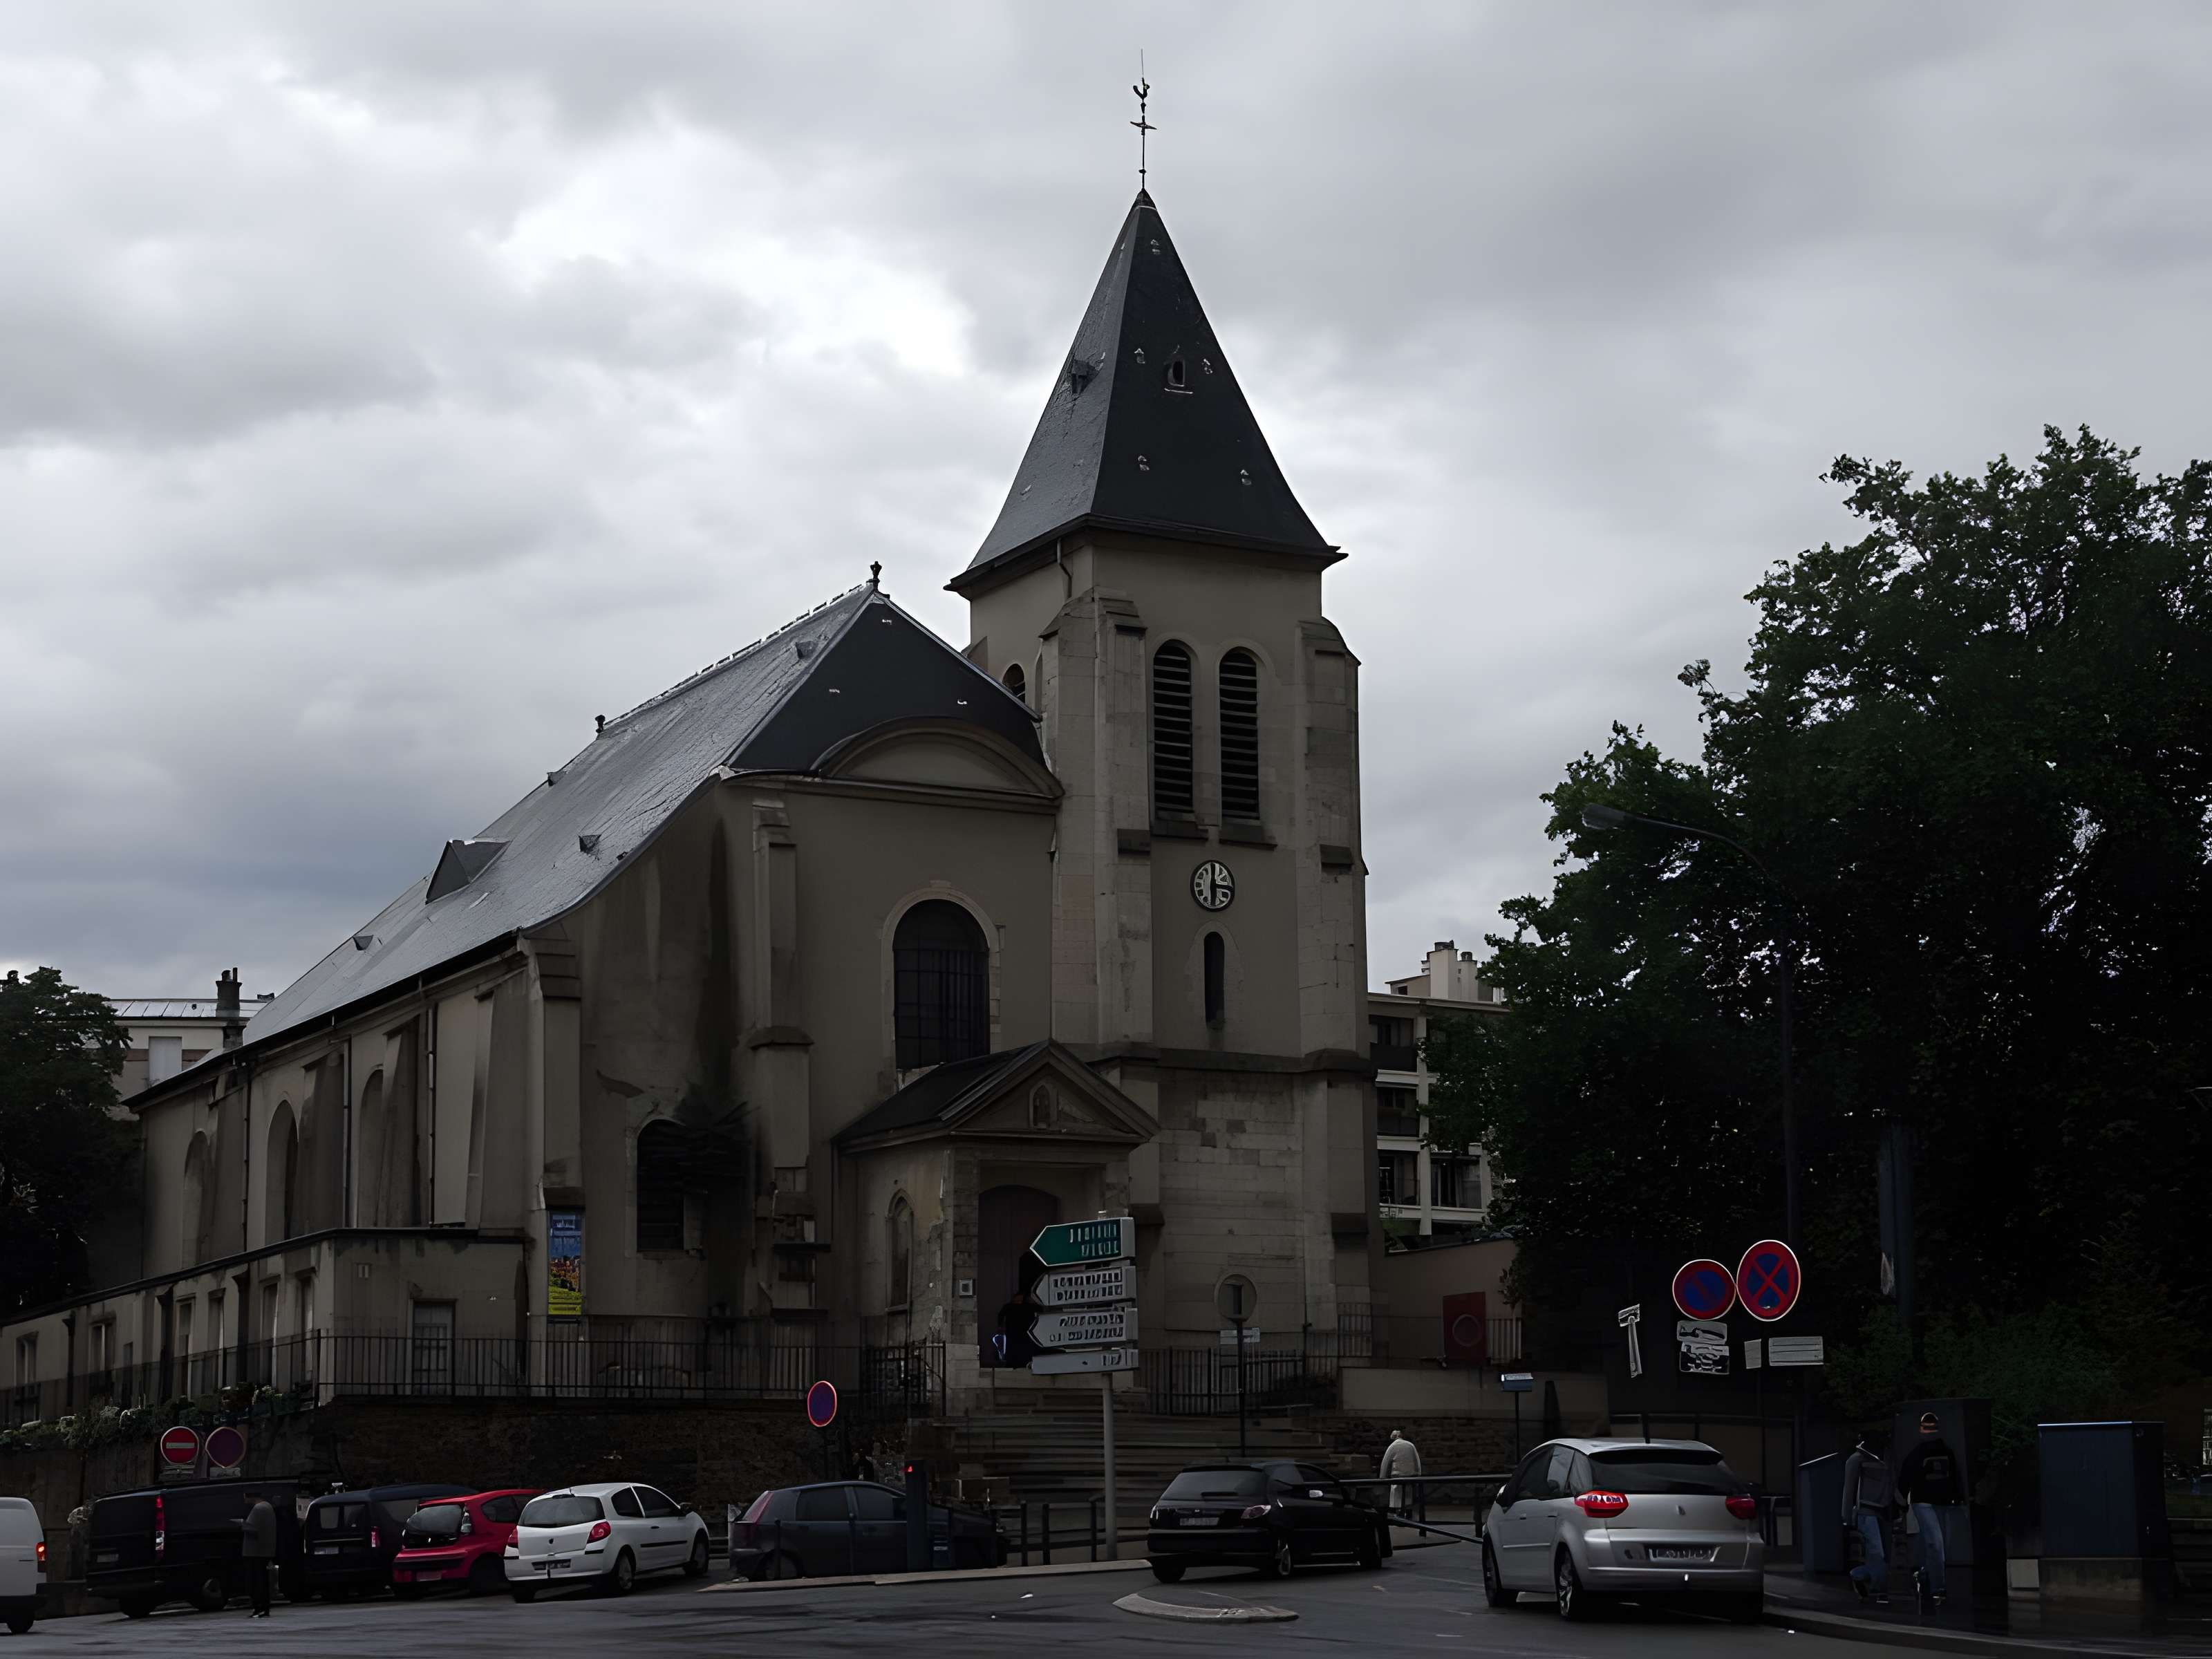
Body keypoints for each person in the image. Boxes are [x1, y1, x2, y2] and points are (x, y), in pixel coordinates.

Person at [1897, 1411, 1960, 1606]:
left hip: (1928, 1502)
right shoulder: (1946, 1452)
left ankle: (1923, 1575)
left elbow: (1904, 1480)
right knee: (1937, 1544)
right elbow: (1955, 1477)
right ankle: (1938, 1589)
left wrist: (1901, 1503)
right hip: (1933, 1502)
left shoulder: (1917, 1454)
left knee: (1935, 1544)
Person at [1839, 1428, 1894, 1606]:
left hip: (1883, 1511)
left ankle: (1859, 1576)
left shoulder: (1885, 1458)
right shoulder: (1856, 1460)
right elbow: (1849, 1490)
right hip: (1865, 1511)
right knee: (1878, 1552)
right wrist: (1847, 1518)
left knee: (1880, 1555)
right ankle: (1880, 1591)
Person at [237, 1495, 277, 1618]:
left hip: (254, 1552)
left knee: (255, 1581)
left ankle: (259, 1607)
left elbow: (252, 1528)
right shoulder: (268, 1507)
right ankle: (264, 1608)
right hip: (265, 1550)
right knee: (263, 1580)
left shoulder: (258, 1509)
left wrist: (241, 1524)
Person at [1380, 1427, 1422, 1515]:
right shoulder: (1411, 1445)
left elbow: (1385, 1462)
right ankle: (1409, 1511)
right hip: (1411, 1476)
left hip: (1397, 1476)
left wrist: (1382, 1478)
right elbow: (1417, 1461)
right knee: (1408, 1495)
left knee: (1397, 1495)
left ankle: (1399, 1512)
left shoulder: (1393, 1446)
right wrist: (1418, 1475)